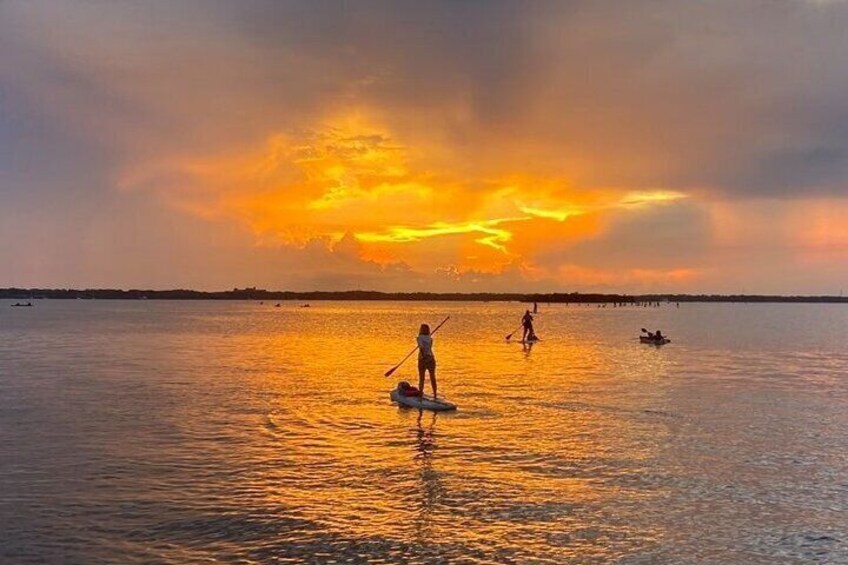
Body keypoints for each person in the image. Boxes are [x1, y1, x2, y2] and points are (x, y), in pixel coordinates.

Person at [417, 323, 437, 398]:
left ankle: (420, 394)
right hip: (431, 358)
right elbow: (429, 347)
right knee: (432, 377)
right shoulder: (430, 338)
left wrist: (424, 357)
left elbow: (421, 348)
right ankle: (435, 394)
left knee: (421, 378)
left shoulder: (419, 338)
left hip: (422, 359)